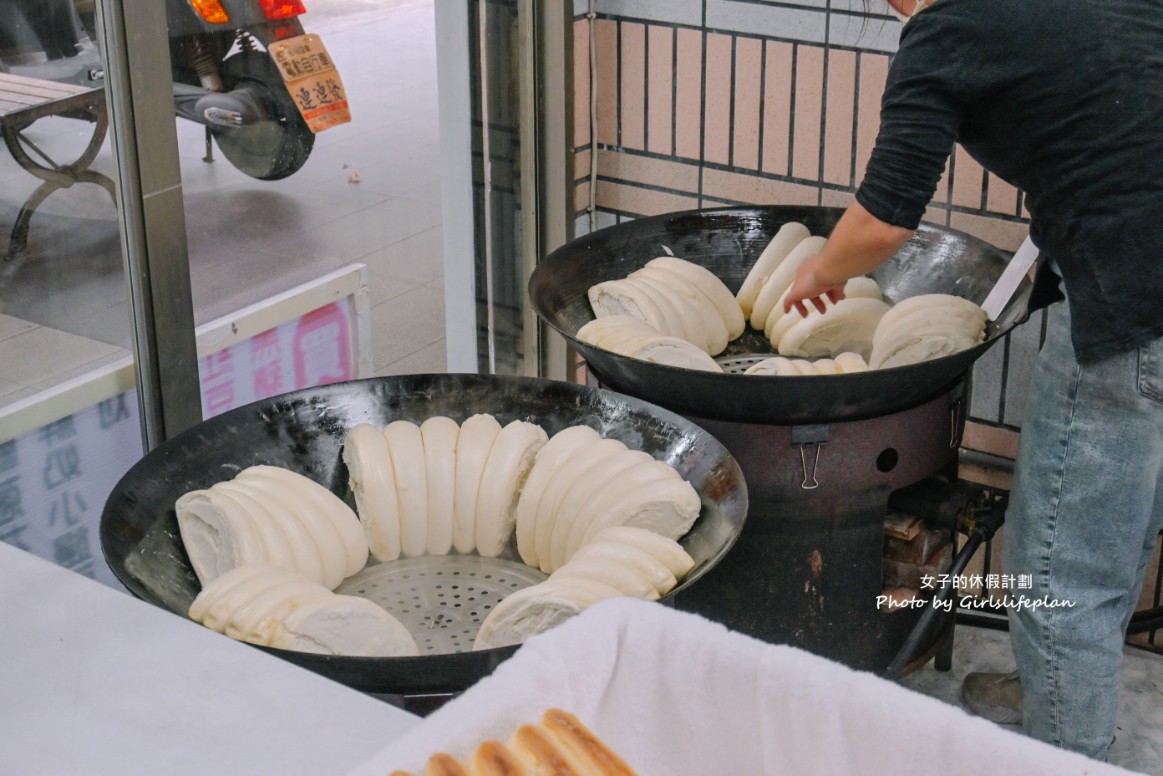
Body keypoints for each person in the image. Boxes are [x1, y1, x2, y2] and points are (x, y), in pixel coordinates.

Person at [781, 0, 1163, 762]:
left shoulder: (945, 31)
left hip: (1134, 304)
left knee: (1061, 573)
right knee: (1112, 534)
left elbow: (883, 223)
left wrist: (815, 274)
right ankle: (1046, 693)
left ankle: (1065, 753)